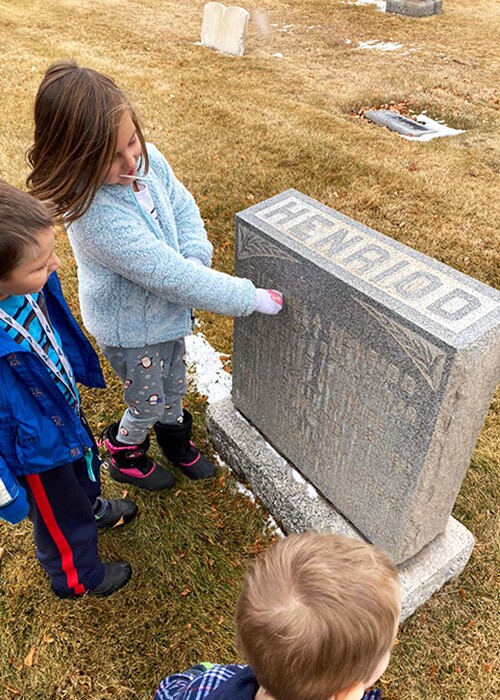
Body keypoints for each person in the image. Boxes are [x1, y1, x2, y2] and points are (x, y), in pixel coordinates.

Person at [27, 60, 284, 492]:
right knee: (147, 399)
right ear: (74, 159)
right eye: (112, 157)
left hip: (165, 315)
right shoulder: (96, 217)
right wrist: (248, 297)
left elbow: (182, 207)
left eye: (133, 142)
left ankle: (174, 437)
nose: (131, 162)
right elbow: (168, 276)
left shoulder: (144, 159)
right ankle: (124, 450)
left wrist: (197, 254)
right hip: (132, 331)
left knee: (173, 382)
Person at [0, 180, 138, 598]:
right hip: (35, 448)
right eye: (41, 264)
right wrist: (6, 495)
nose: (57, 264)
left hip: (61, 411)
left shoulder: (30, 287)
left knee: (84, 470)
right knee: (59, 515)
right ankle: (76, 577)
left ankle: (90, 506)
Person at [154, 532, 401, 700]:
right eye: (388, 647)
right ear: (348, 693)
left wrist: (196, 676)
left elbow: (167, 691)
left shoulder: (209, 685)